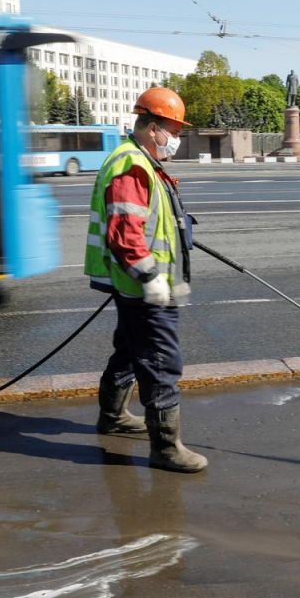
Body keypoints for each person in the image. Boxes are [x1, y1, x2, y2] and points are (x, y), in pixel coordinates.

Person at [84, 86, 207, 474]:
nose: (176, 139)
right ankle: (166, 448)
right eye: (174, 131)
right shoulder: (133, 166)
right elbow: (125, 232)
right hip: (146, 287)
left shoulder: (139, 160)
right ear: (153, 128)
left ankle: (113, 416)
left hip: (139, 284)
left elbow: (147, 219)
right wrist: (151, 277)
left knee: (128, 350)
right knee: (160, 362)